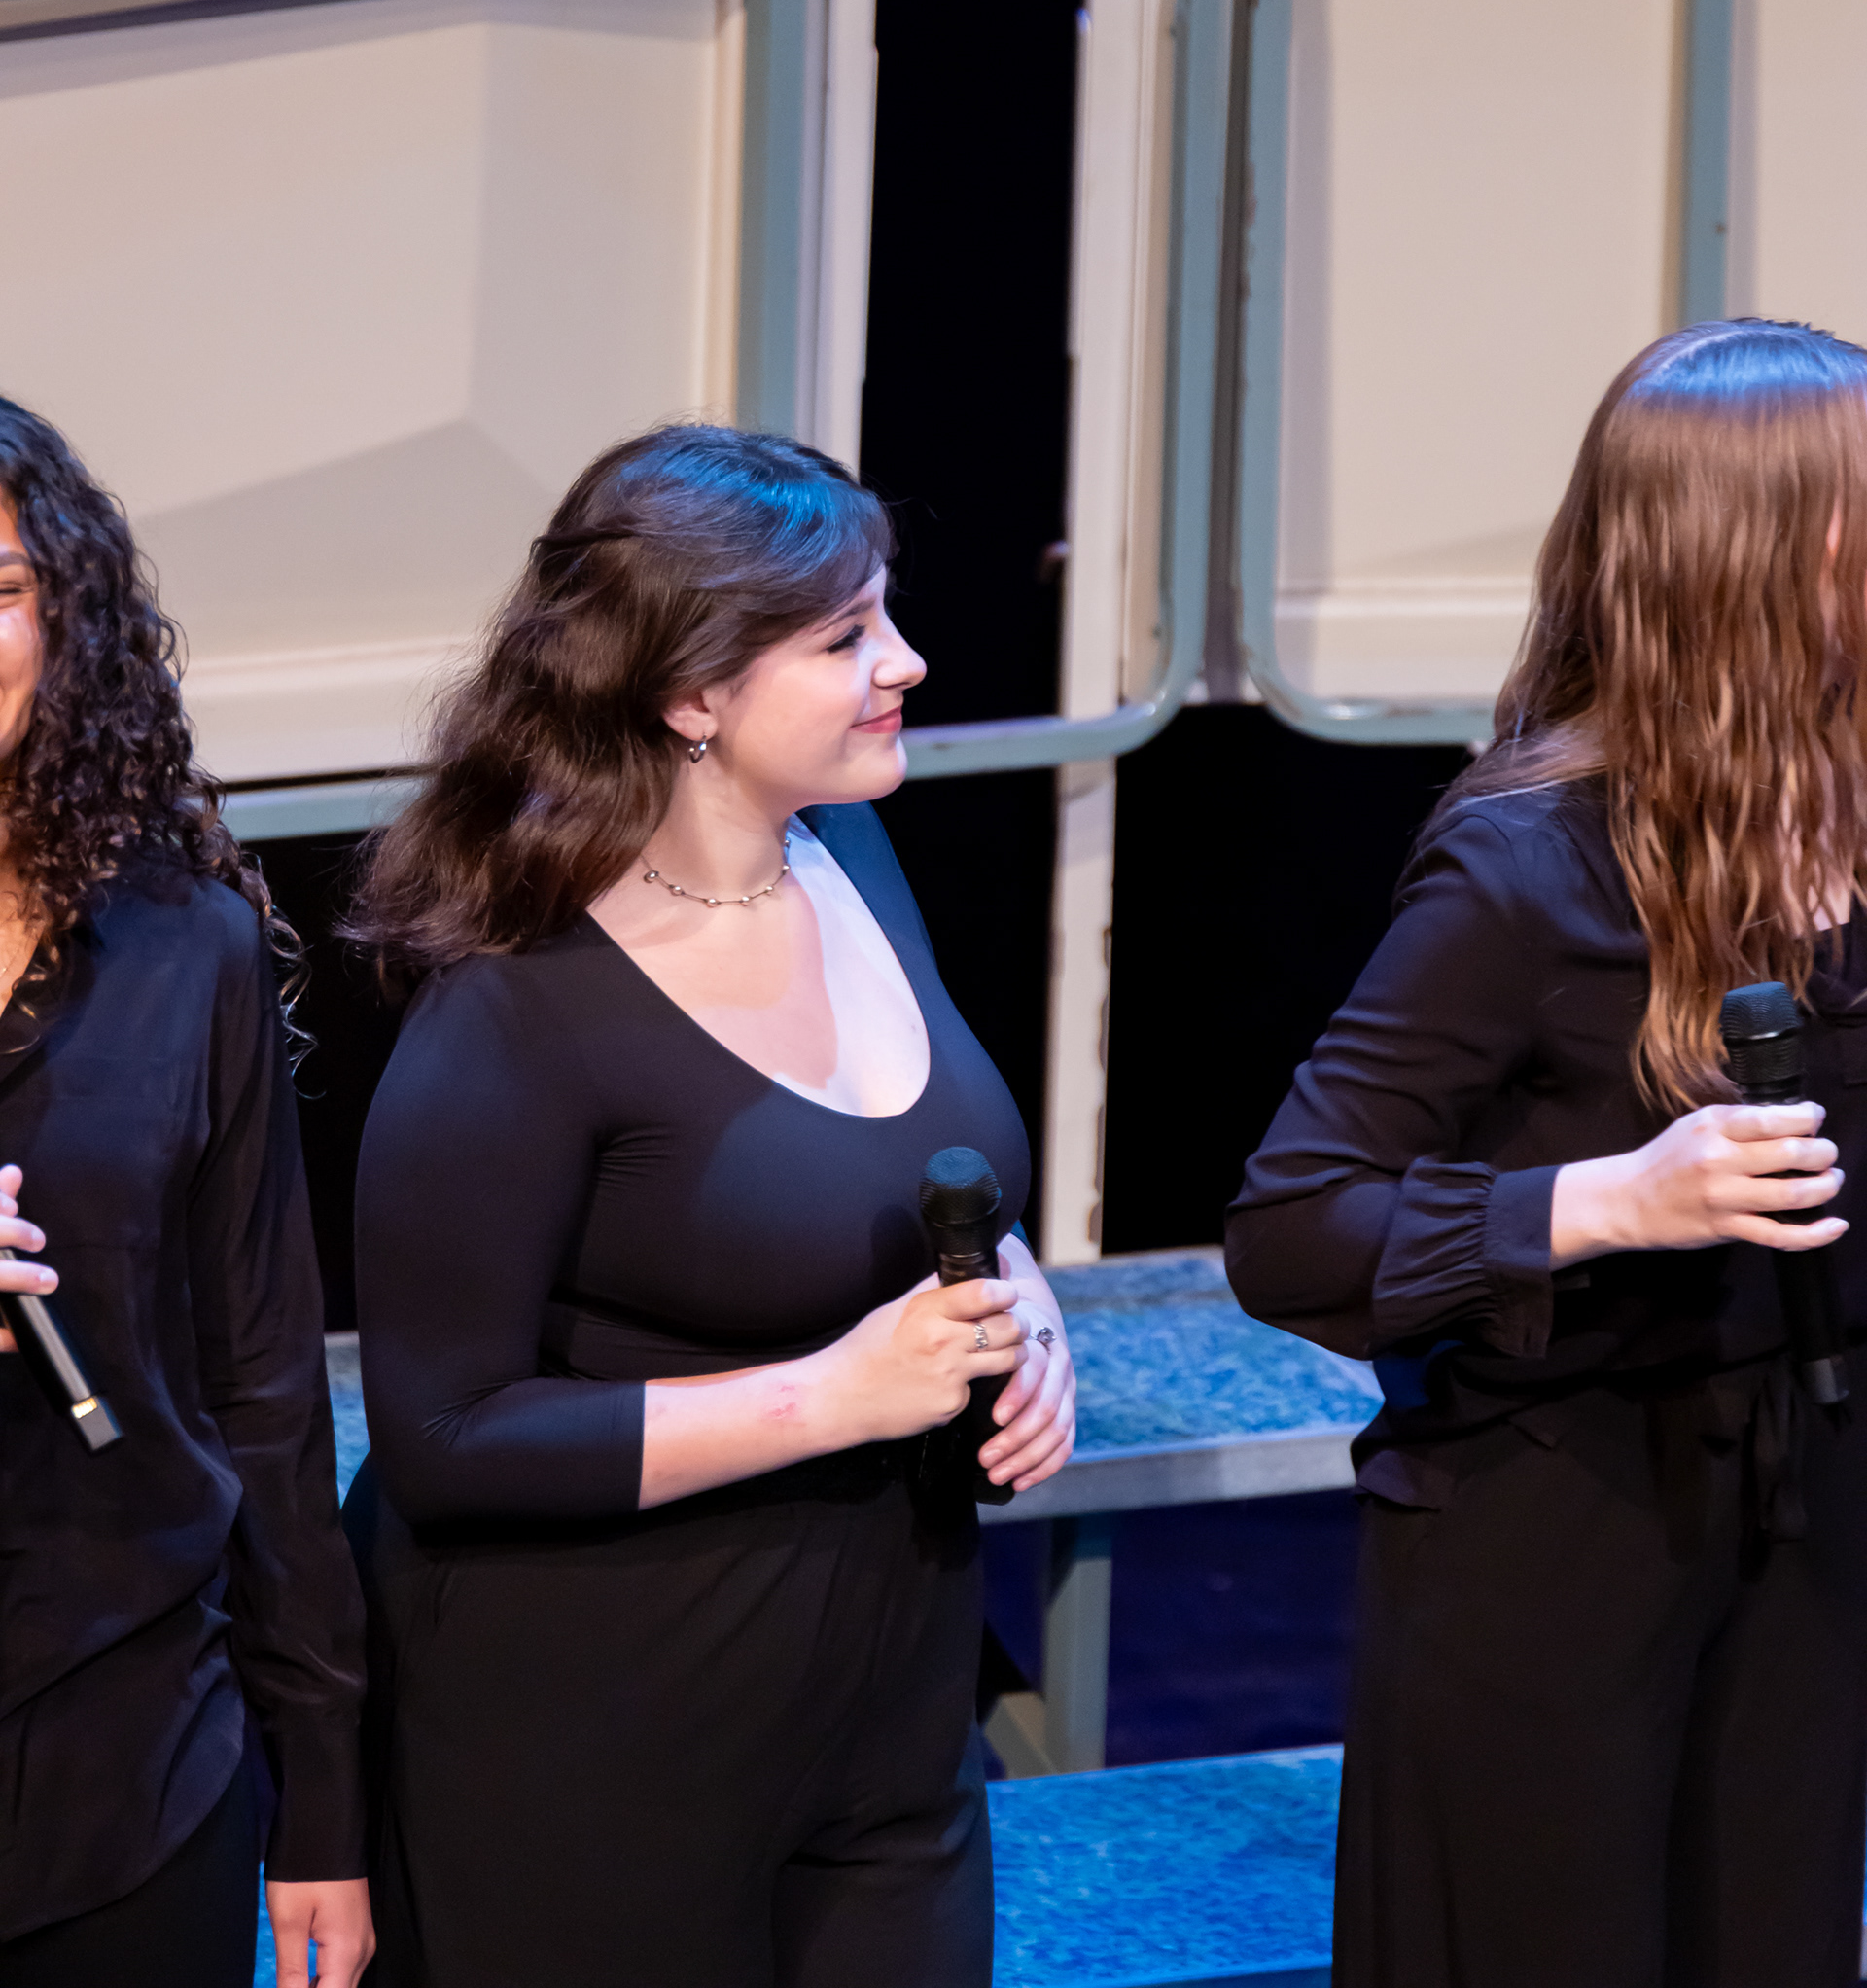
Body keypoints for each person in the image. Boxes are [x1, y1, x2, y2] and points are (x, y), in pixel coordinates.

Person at [345, 421, 1076, 1988]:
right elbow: (443, 1435)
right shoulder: (521, 1000)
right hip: (604, 1739)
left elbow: (889, 1183)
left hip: (887, 1706)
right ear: (690, 694)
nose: (907, 662)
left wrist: (1020, 1300)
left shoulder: (854, 855)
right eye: (845, 637)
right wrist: (829, 1397)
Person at [1228, 318, 1867, 1988]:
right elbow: (1292, 1228)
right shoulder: (1527, 869)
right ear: (1760, 556)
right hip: (1557, 1534)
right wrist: (1611, 1202)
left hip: (1806, 1519)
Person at [0, 400, 371, 1988]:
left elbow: (263, 1388)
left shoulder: (185, 943)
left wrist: (323, 1797)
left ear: (65, 614)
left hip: (132, 1749)